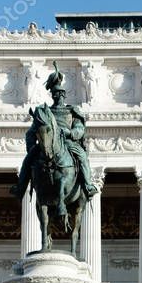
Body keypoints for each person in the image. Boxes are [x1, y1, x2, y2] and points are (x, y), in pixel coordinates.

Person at [11, 64, 98, 202]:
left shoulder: (71, 111)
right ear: (52, 95)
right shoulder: (45, 114)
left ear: (64, 94)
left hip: (68, 143)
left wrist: (69, 133)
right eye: (56, 93)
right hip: (46, 145)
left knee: (81, 156)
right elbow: (31, 133)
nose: (59, 95)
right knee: (28, 161)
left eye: (61, 93)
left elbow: (80, 129)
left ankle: (87, 185)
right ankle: (20, 187)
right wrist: (32, 147)